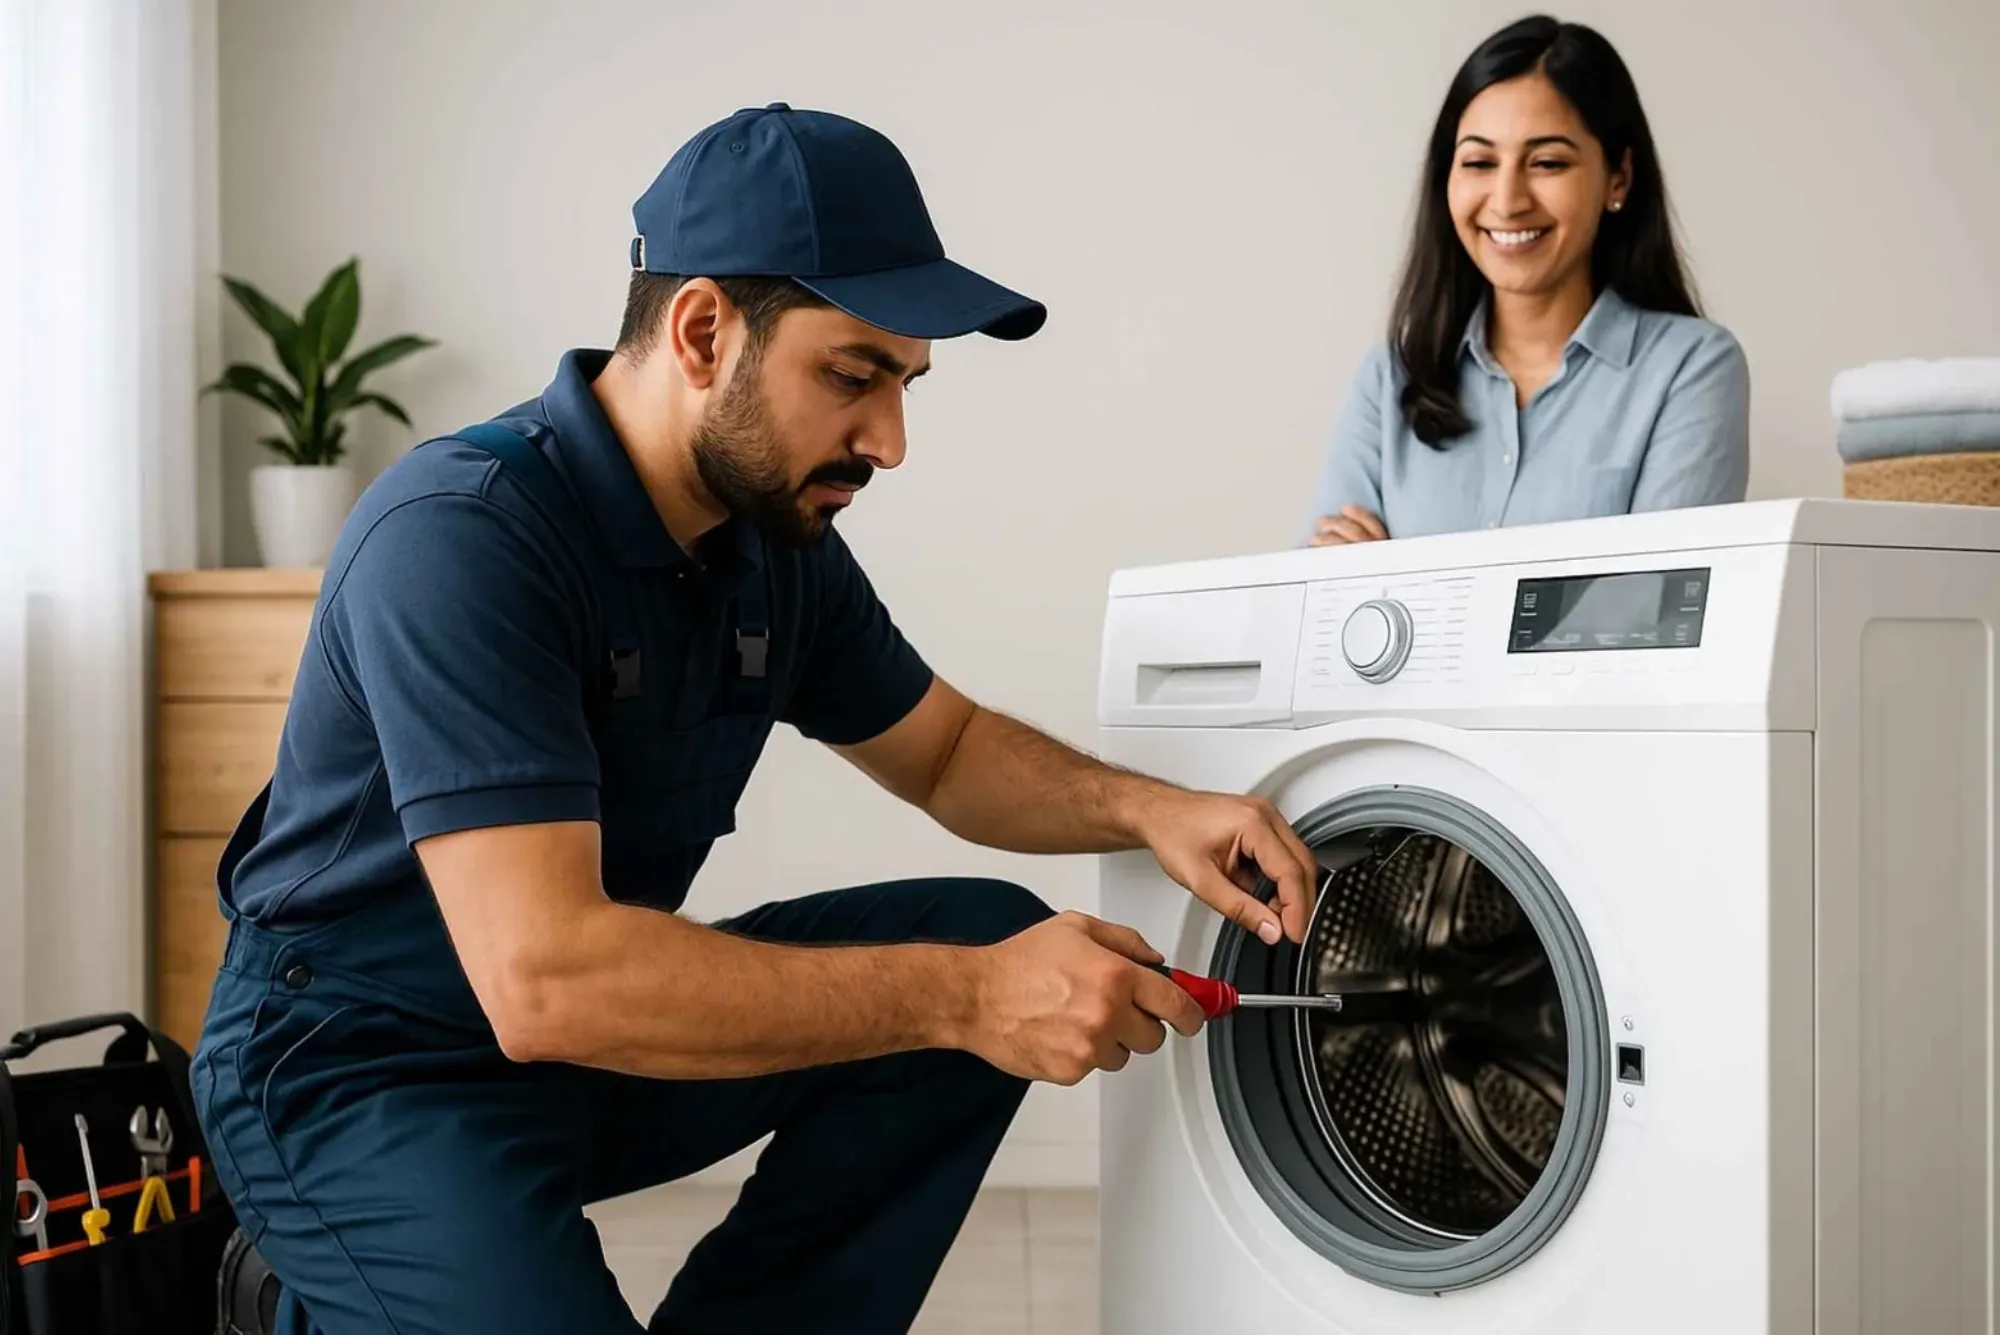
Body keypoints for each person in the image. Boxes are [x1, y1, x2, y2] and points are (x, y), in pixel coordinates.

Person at [189, 103, 1318, 1335]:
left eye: (904, 383)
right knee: (963, 986)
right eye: (853, 375)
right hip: (361, 1071)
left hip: (574, 1052)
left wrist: (1155, 809)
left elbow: (942, 753)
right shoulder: (461, 538)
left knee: (982, 929)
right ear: (703, 330)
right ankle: (302, 1293)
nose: (889, 440)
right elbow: (548, 981)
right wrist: (968, 998)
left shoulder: (771, 546)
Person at [1305, 15, 1749, 548]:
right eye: (1479, 161)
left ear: (1619, 178)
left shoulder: (1690, 369)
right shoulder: (1387, 383)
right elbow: (1326, 607)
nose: (1508, 200)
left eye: (1546, 162)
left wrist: (1400, 596)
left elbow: (1656, 609)